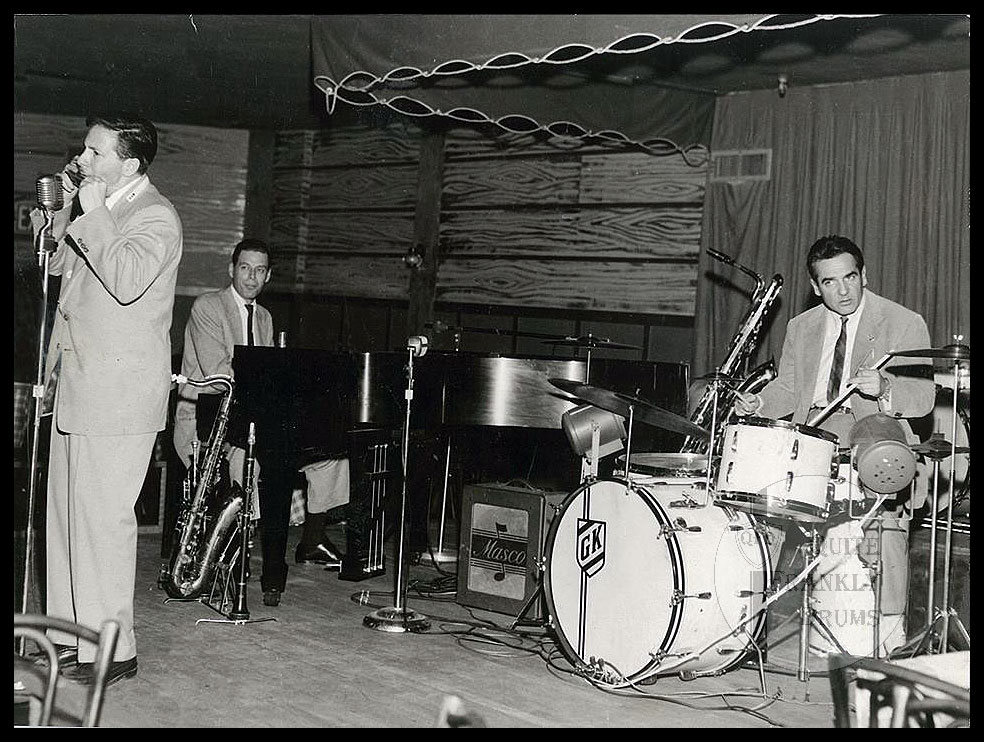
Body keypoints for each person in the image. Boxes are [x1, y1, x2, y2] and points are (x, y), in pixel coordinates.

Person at [30, 115, 182, 686]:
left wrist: (90, 210)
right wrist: (60, 214)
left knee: (103, 524)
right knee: (67, 521)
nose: (81, 160)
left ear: (130, 164)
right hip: (76, 384)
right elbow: (57, 270)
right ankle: (73, 637)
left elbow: (123, 278)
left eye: (94, 153)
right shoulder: (103, 211)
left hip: (117, 398)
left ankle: (115, 649)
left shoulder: (155, 216)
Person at [734, 234, 935, 654]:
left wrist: (884, 386)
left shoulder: (903, 322)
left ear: (864, 275)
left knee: (886, 530)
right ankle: (745, 628)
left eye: (850, 278)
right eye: (829, 282)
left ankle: (889, 639)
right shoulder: (800, 327)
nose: (842, 291)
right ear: (814, 286)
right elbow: (788, 390)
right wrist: (759, 402)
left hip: (875, 438)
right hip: (814, 439)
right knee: (761, 515)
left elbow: (922, 401)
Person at [172, 239, 341, 609]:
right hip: (207, 422)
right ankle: (232, 562)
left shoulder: (263, 317)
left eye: (260, 270)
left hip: (253, 418)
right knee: (252, 463)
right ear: (232, 269)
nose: (252, 276)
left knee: (331, 456)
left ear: (268, 276)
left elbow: (270, 379)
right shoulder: (207, 307)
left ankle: (311, 539)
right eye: (245, 268)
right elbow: (220, 378)